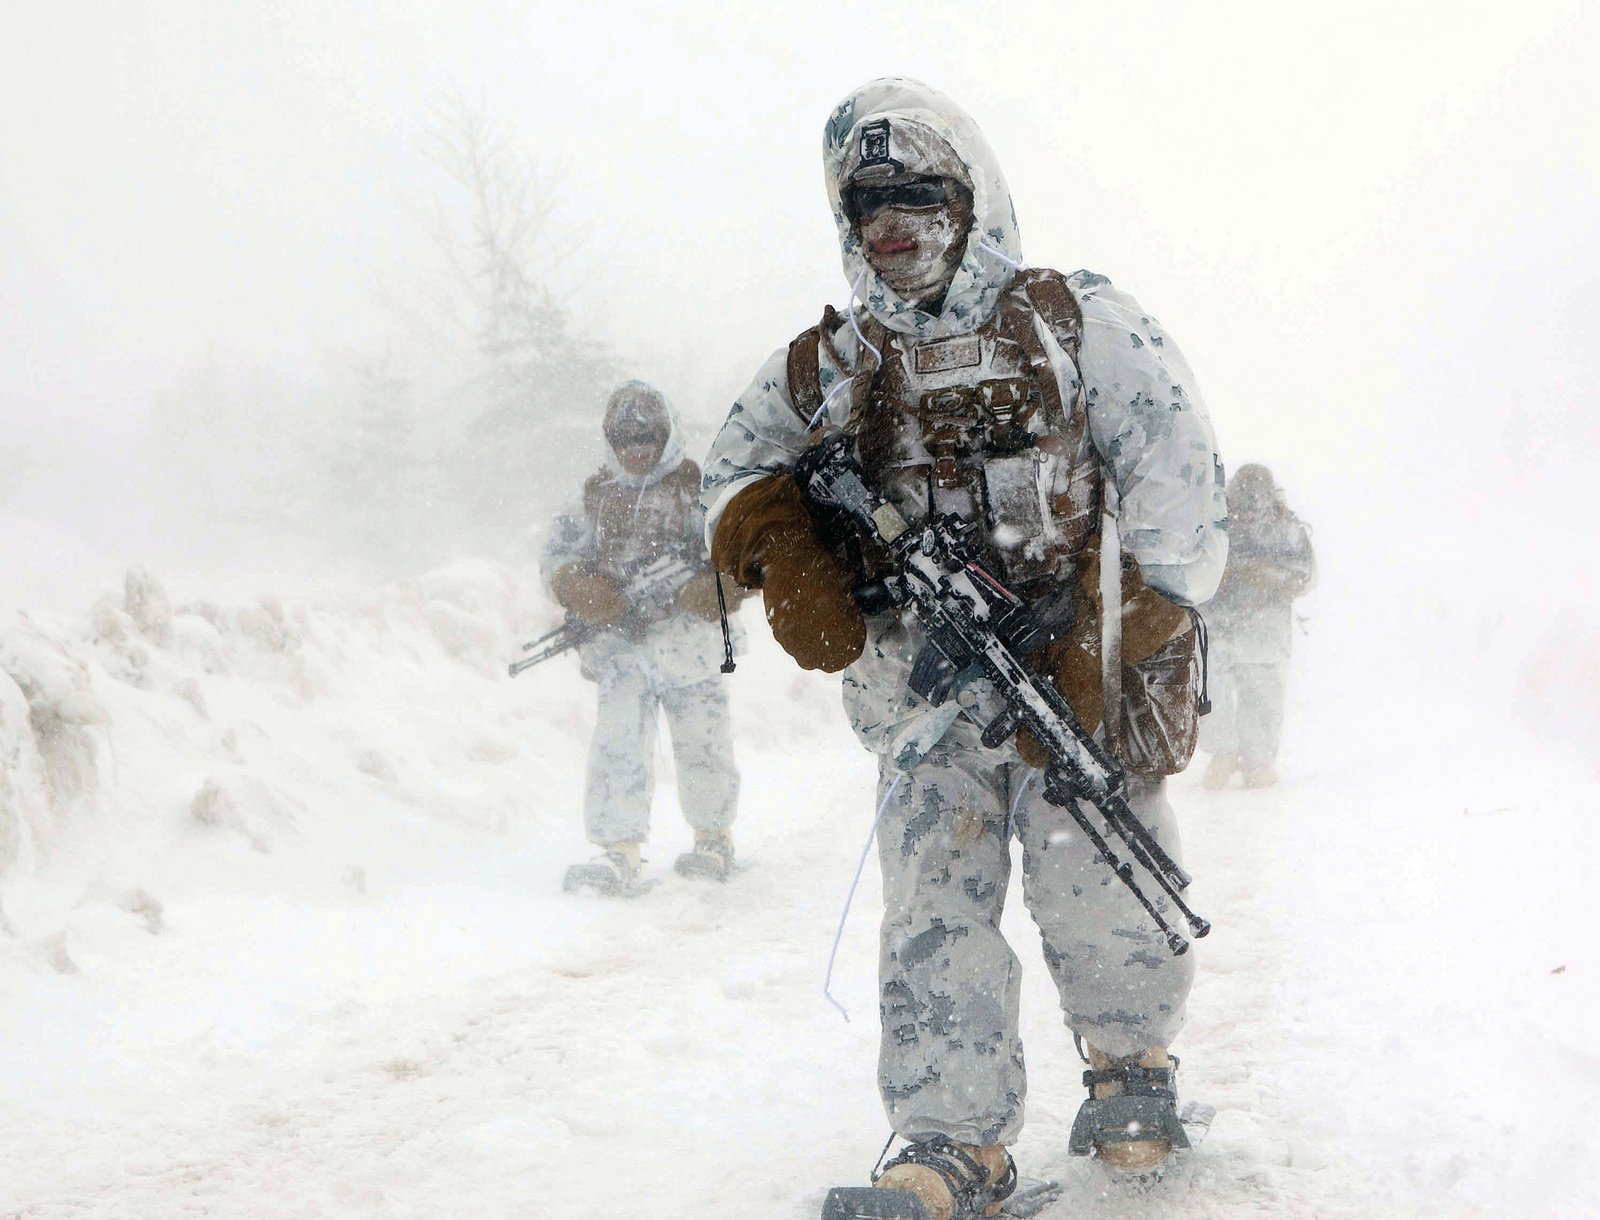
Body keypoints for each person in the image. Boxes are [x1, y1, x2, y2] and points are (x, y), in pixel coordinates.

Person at [701, 79, 1228, 1217]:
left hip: (1070, 687)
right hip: (921, 701)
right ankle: (951, 1138)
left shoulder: (1076, 320)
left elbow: (1183, 493)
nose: (890, 221)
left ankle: (1131, 1066)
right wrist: (784, 544)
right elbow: (732, 474)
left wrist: (1127, 631)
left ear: (970, 194)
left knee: (1101, 884)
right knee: (935, 914)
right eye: (866, 202)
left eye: (917, 192)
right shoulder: (826, 366)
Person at [542, 380, 741, 895]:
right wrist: (576, 586)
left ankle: (713, 836)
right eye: (624, 437)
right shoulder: (595, 492)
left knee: (703, 743)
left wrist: (716, 585)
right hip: (622, 646)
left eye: (646, 436)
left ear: (667, 433)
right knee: (618, 745)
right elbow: (557, 553)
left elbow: (741, 549)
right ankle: (618, 849)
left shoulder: (699, 486)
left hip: (691, 643)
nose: (635, 449)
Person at [1199, 464, 1315, 789]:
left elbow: (1305, 576)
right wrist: (1228, 575)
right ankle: (1222, 755)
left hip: (1265, 631)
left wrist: (1268, 576)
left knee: (1262, 696)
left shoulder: (1286, 529)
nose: (1249, 504)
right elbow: (1197, 568)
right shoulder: (1215, 525)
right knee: (1212, 694)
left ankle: (1258, 761)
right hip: (1218, 626)